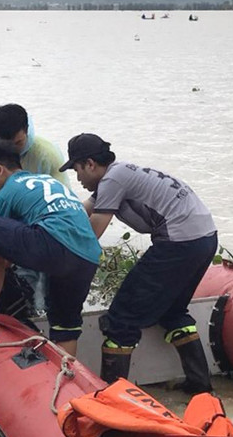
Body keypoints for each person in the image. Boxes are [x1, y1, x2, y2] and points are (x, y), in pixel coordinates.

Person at [60, 134, 218, 394]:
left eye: (77, 170)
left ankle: (112, 397)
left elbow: (90, 236)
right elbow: (80, 211)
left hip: (179, 242)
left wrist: (64, 264)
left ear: (89, 164)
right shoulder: (119, 175)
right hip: (204, 238)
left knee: (121, 318)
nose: (78, 178)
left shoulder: (112, 179)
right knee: (173, 311)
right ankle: (200, 384)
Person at [0, 143, 100, 357]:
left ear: (0, 169)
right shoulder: (49, 182)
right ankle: (69, 377)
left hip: (52, 243)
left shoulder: (7, 191)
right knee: (66, 326)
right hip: (88, 257)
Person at [0, 103, 69, 208]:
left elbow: (65, 198)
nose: (12, 151)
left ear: (26, 131)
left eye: (18, 143)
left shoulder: (48, 155)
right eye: (4, 145)